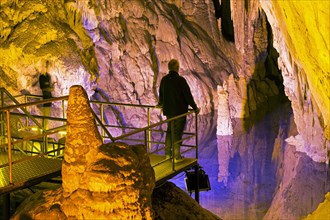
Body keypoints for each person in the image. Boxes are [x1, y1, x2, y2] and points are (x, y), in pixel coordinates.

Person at [157, 59, 200, 163]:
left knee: (169, 131)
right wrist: (195, 108)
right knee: (177, 133)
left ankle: (167, 154)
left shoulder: (164, 80)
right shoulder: (180, 80)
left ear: (169, 68)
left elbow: (161, 94)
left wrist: (160, 104)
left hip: (169, 111)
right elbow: (187, 96)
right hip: (180, 111)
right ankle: (176, 156)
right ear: (177, 68)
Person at [38, 60, 53, 130]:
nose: (47, 68)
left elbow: (47, 86)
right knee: (45, 116)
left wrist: (50, 88)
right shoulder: (41, 77)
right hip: (45, 99)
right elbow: (42, 88)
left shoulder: (48, 76)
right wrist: (49, 89)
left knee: (48, 115)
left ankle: (45, 130)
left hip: (49, 98)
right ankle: (44, 130)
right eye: (46, 66)